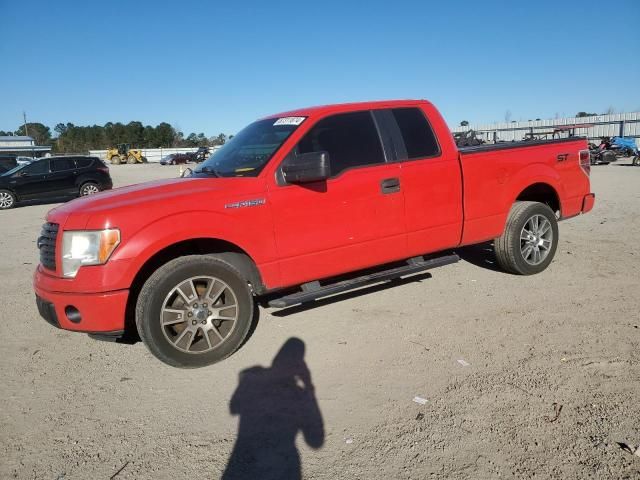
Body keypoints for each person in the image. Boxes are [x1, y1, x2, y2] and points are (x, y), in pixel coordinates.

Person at [222, 338, 324, 480]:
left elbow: (234, 407)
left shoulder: (252, 378)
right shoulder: (298, 393)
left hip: (245, 455)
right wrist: (308, 385)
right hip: (283, 466)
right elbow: (315, 441)